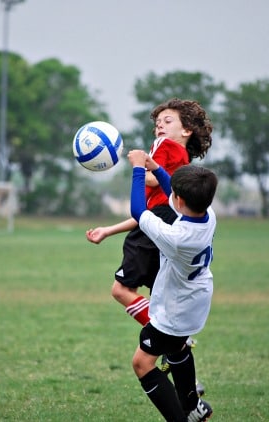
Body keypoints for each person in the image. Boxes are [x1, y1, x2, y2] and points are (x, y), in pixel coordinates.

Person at [86, 99, 213, 329]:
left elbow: (155, 181)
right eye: (157, 124)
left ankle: (163, 334)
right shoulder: (184, 161)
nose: (159, 127)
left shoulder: (163, 145)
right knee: (159, 297)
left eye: (167, 121)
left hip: (159, 221)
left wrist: (136, 168)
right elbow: (146, 216)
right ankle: (172, 340)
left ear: (186, 130)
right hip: (168, 225)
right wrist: (108, 230)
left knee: (122, 290)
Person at [127, 149, 217, 422]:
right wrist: (156, 167)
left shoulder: (175, 236)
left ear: (177, 201)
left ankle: (180, 419)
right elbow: (175, 192)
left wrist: (138, 170)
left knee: (142, 364)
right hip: (196, 299)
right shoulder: (208, 215)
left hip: (174, 309)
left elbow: (138, 210)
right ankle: (192, 406)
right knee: (177, 348)